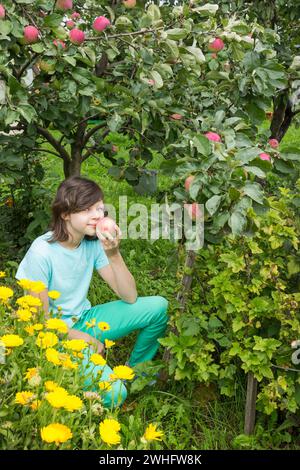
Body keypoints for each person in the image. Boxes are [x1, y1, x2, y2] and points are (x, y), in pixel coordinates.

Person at [15, 176, 169, 408]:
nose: (98, 215)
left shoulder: (92, 243)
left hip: (85, 319)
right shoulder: (42, 253)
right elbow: (41, 324)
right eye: (88, 209)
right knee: (115, 394)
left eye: (100, 208)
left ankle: (136, 375)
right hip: (55, 335)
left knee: (159, 307)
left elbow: (129, 297)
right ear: (65, 213)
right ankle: (77, 396)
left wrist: (114, 254)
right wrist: (85, 339)